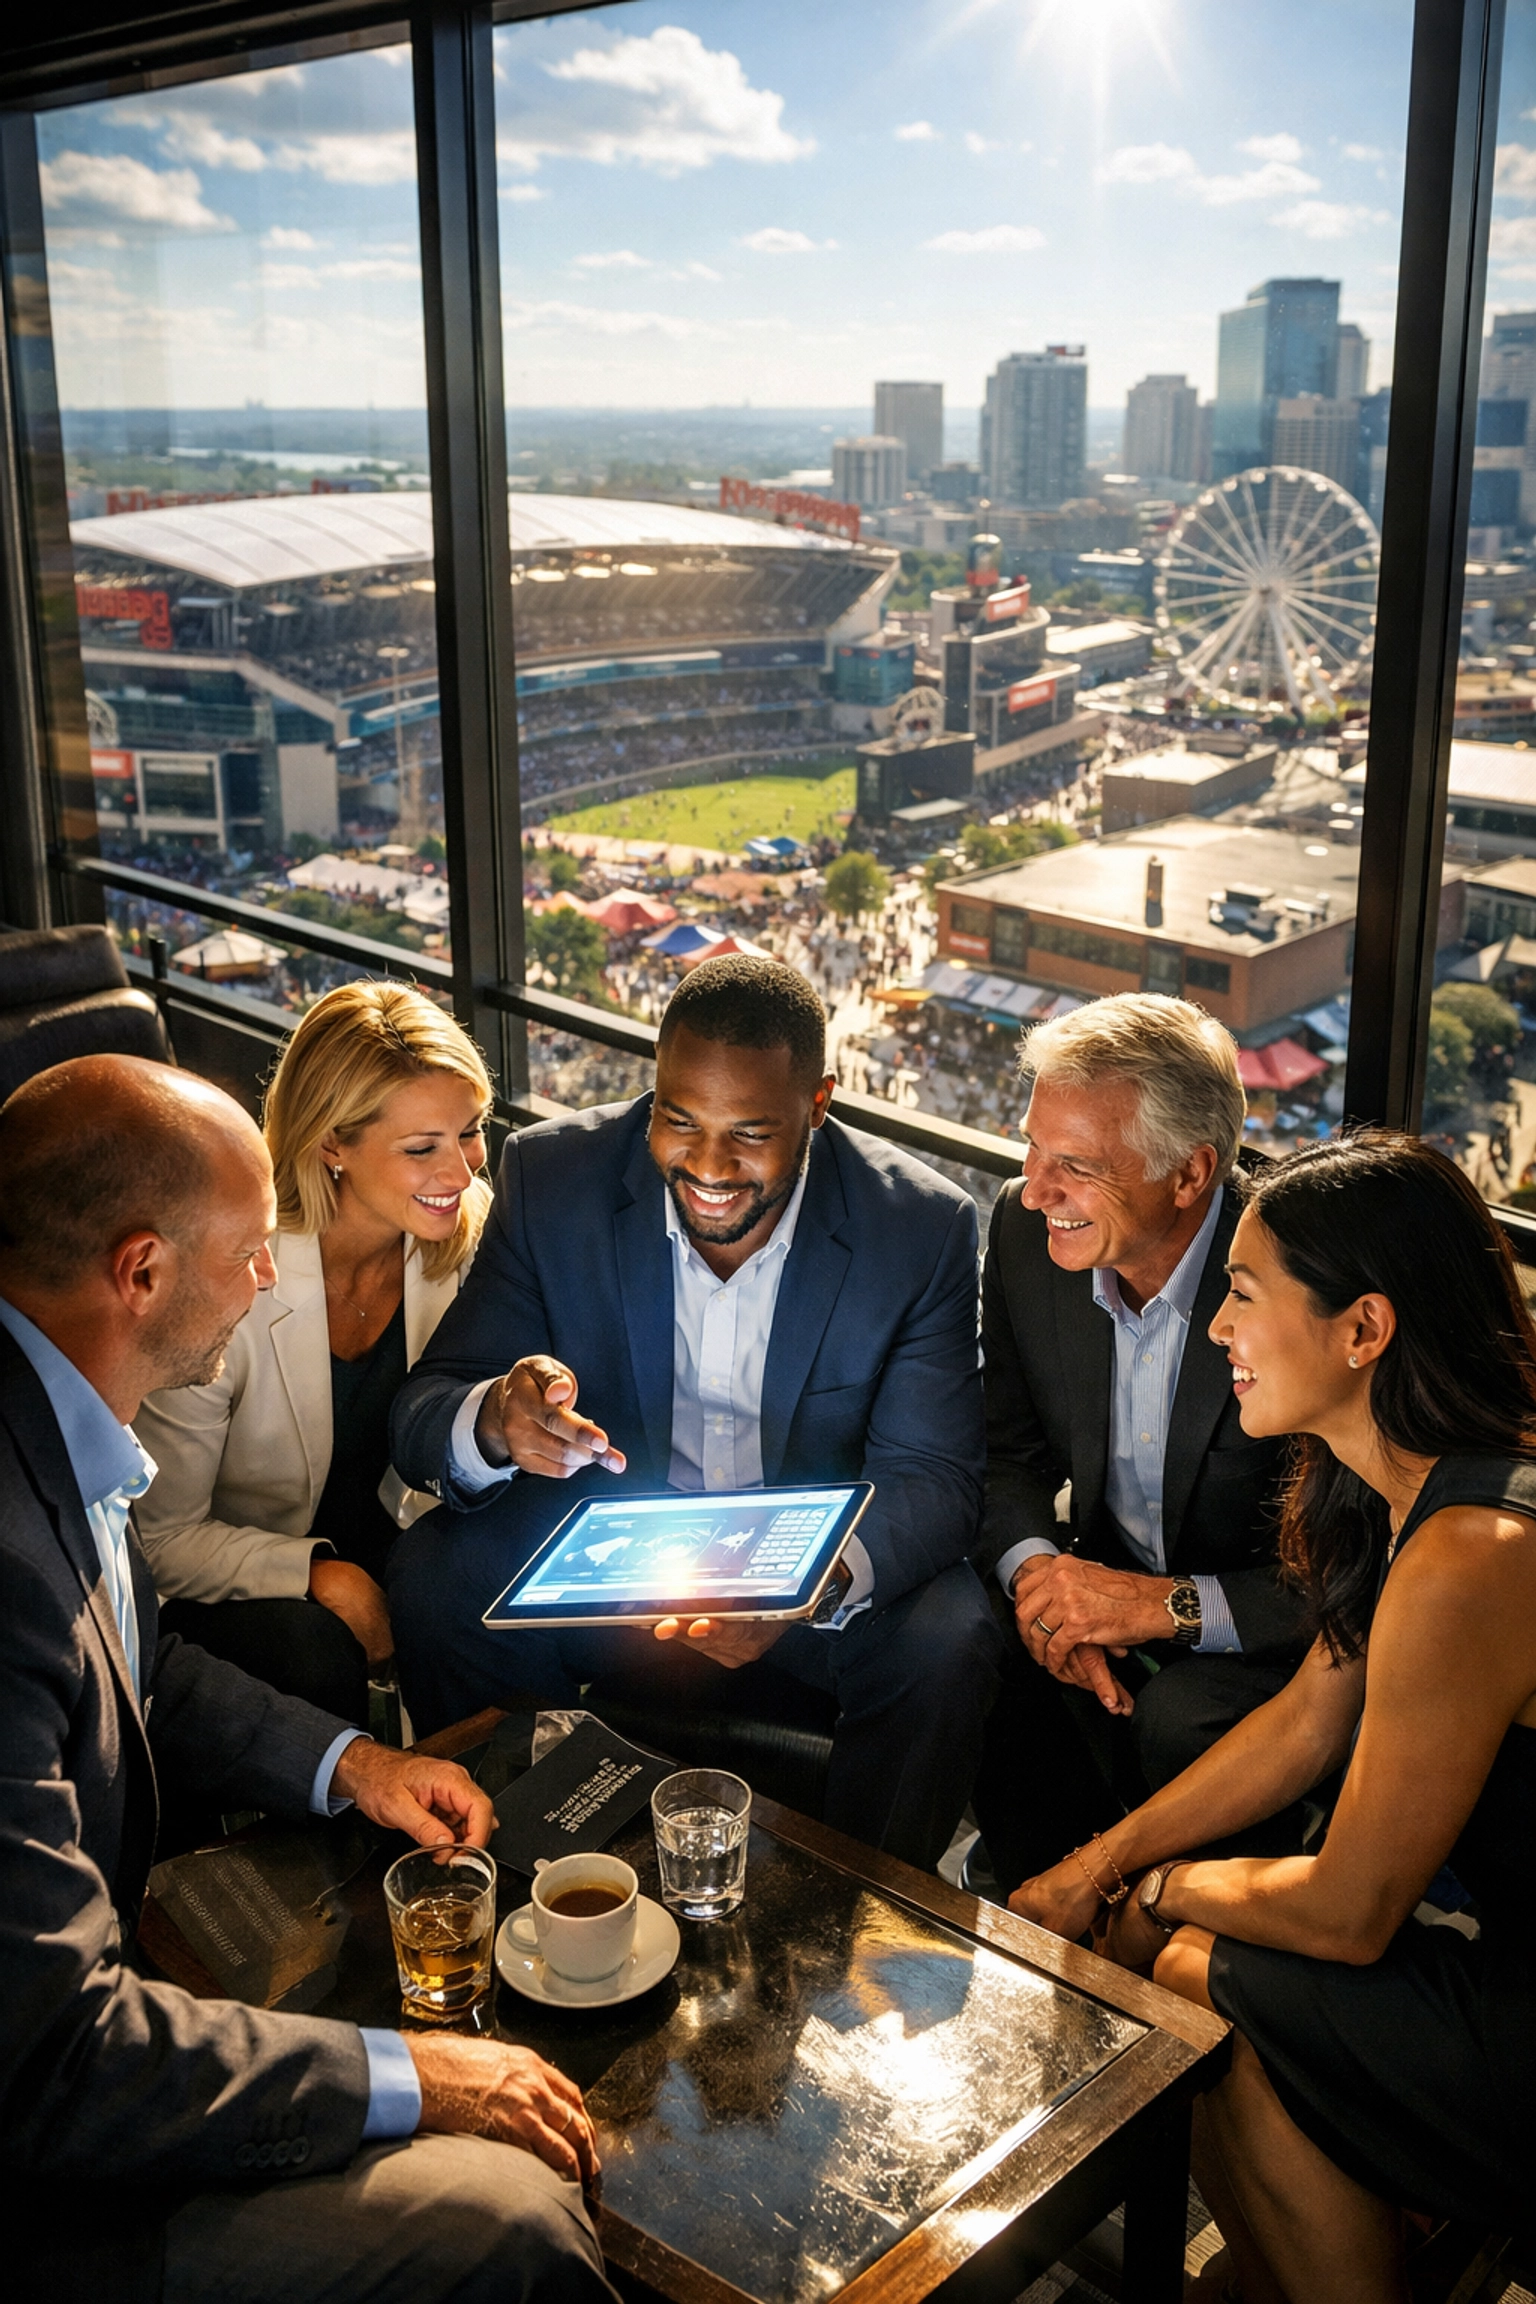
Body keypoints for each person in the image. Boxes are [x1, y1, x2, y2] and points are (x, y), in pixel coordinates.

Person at [0, 1054, 611, 2304]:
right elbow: (58, 2061)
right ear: (141, 1273)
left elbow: (148, 1669)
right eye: (246, 1253)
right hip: (54, 2187)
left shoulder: (55, 1425)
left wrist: (360, 1764)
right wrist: (410, 2076)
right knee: (521, 2220)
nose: (271, 1276)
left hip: (85, 2042)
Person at [1014, 1132, 1536, 2304]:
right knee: (1190, 1964)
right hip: (1505, 1958)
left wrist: (1158, 1890)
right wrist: (1098, 1865)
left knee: (1191, 1972)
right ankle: (1285, 2268)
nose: (1216, 1330)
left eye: (1244, 1296)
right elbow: (1306, 1723)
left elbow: (1351, 1913)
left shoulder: (1473, 1555)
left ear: (1364, 1329)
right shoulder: (1403, 1490)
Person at [388, 956, 1001, 1871]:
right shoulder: (552, 1176)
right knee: (436, 1574)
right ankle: (512, 1866)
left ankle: (862, 1906)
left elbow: (936, 1476)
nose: (709, 1166)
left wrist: (808, 1585)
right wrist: (495, 1419)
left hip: (807, 1577)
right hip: (611, 1558)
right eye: (678, 1121)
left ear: (819, 1104)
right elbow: (425, 1409)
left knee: (951, 1637)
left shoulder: (918, 1225)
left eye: (749, 1134)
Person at [971, 995, 1304, 1895]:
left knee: (1181, 1715)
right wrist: (1043, 1584)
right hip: (1098, 1576)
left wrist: (1161, 1607)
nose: (1036, 1189)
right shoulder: (1023, 1231)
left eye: (1074, 1167)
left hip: (1259, 1628)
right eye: (1033, 1149)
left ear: (1191, 1173)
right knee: (970, 1636)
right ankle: (1036, 1909)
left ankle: (1168, 1935)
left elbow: (1356, 1567)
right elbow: (1006, 1453)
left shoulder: (1295, 1276)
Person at [134, 982, 492, 1722]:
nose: (462, 1173)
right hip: (244, 1583)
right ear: (332, 1144)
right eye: (422, 1148)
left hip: (412, 1554)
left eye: (471, 1131)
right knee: (312, 1652)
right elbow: (163, 1539)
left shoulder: (473, 1232)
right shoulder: (230, 1271)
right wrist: (318, 1574)